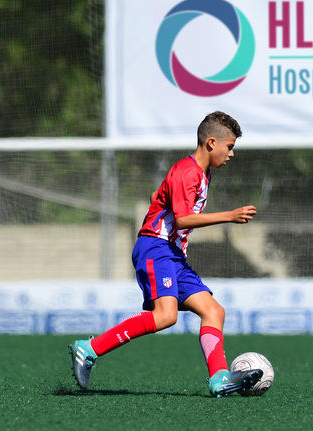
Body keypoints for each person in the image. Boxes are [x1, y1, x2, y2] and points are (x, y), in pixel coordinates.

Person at [68, 111, 262, 397]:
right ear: (211, 143)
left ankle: (220, 377)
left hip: (172, 255)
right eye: (229, 146)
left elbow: (160, 200)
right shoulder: (188, 172)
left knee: (213, 311)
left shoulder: (200, 172)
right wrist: (229, 216)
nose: (231, 153)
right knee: (165, 316)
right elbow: (183, 219)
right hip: (155, 248)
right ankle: (89, 349)